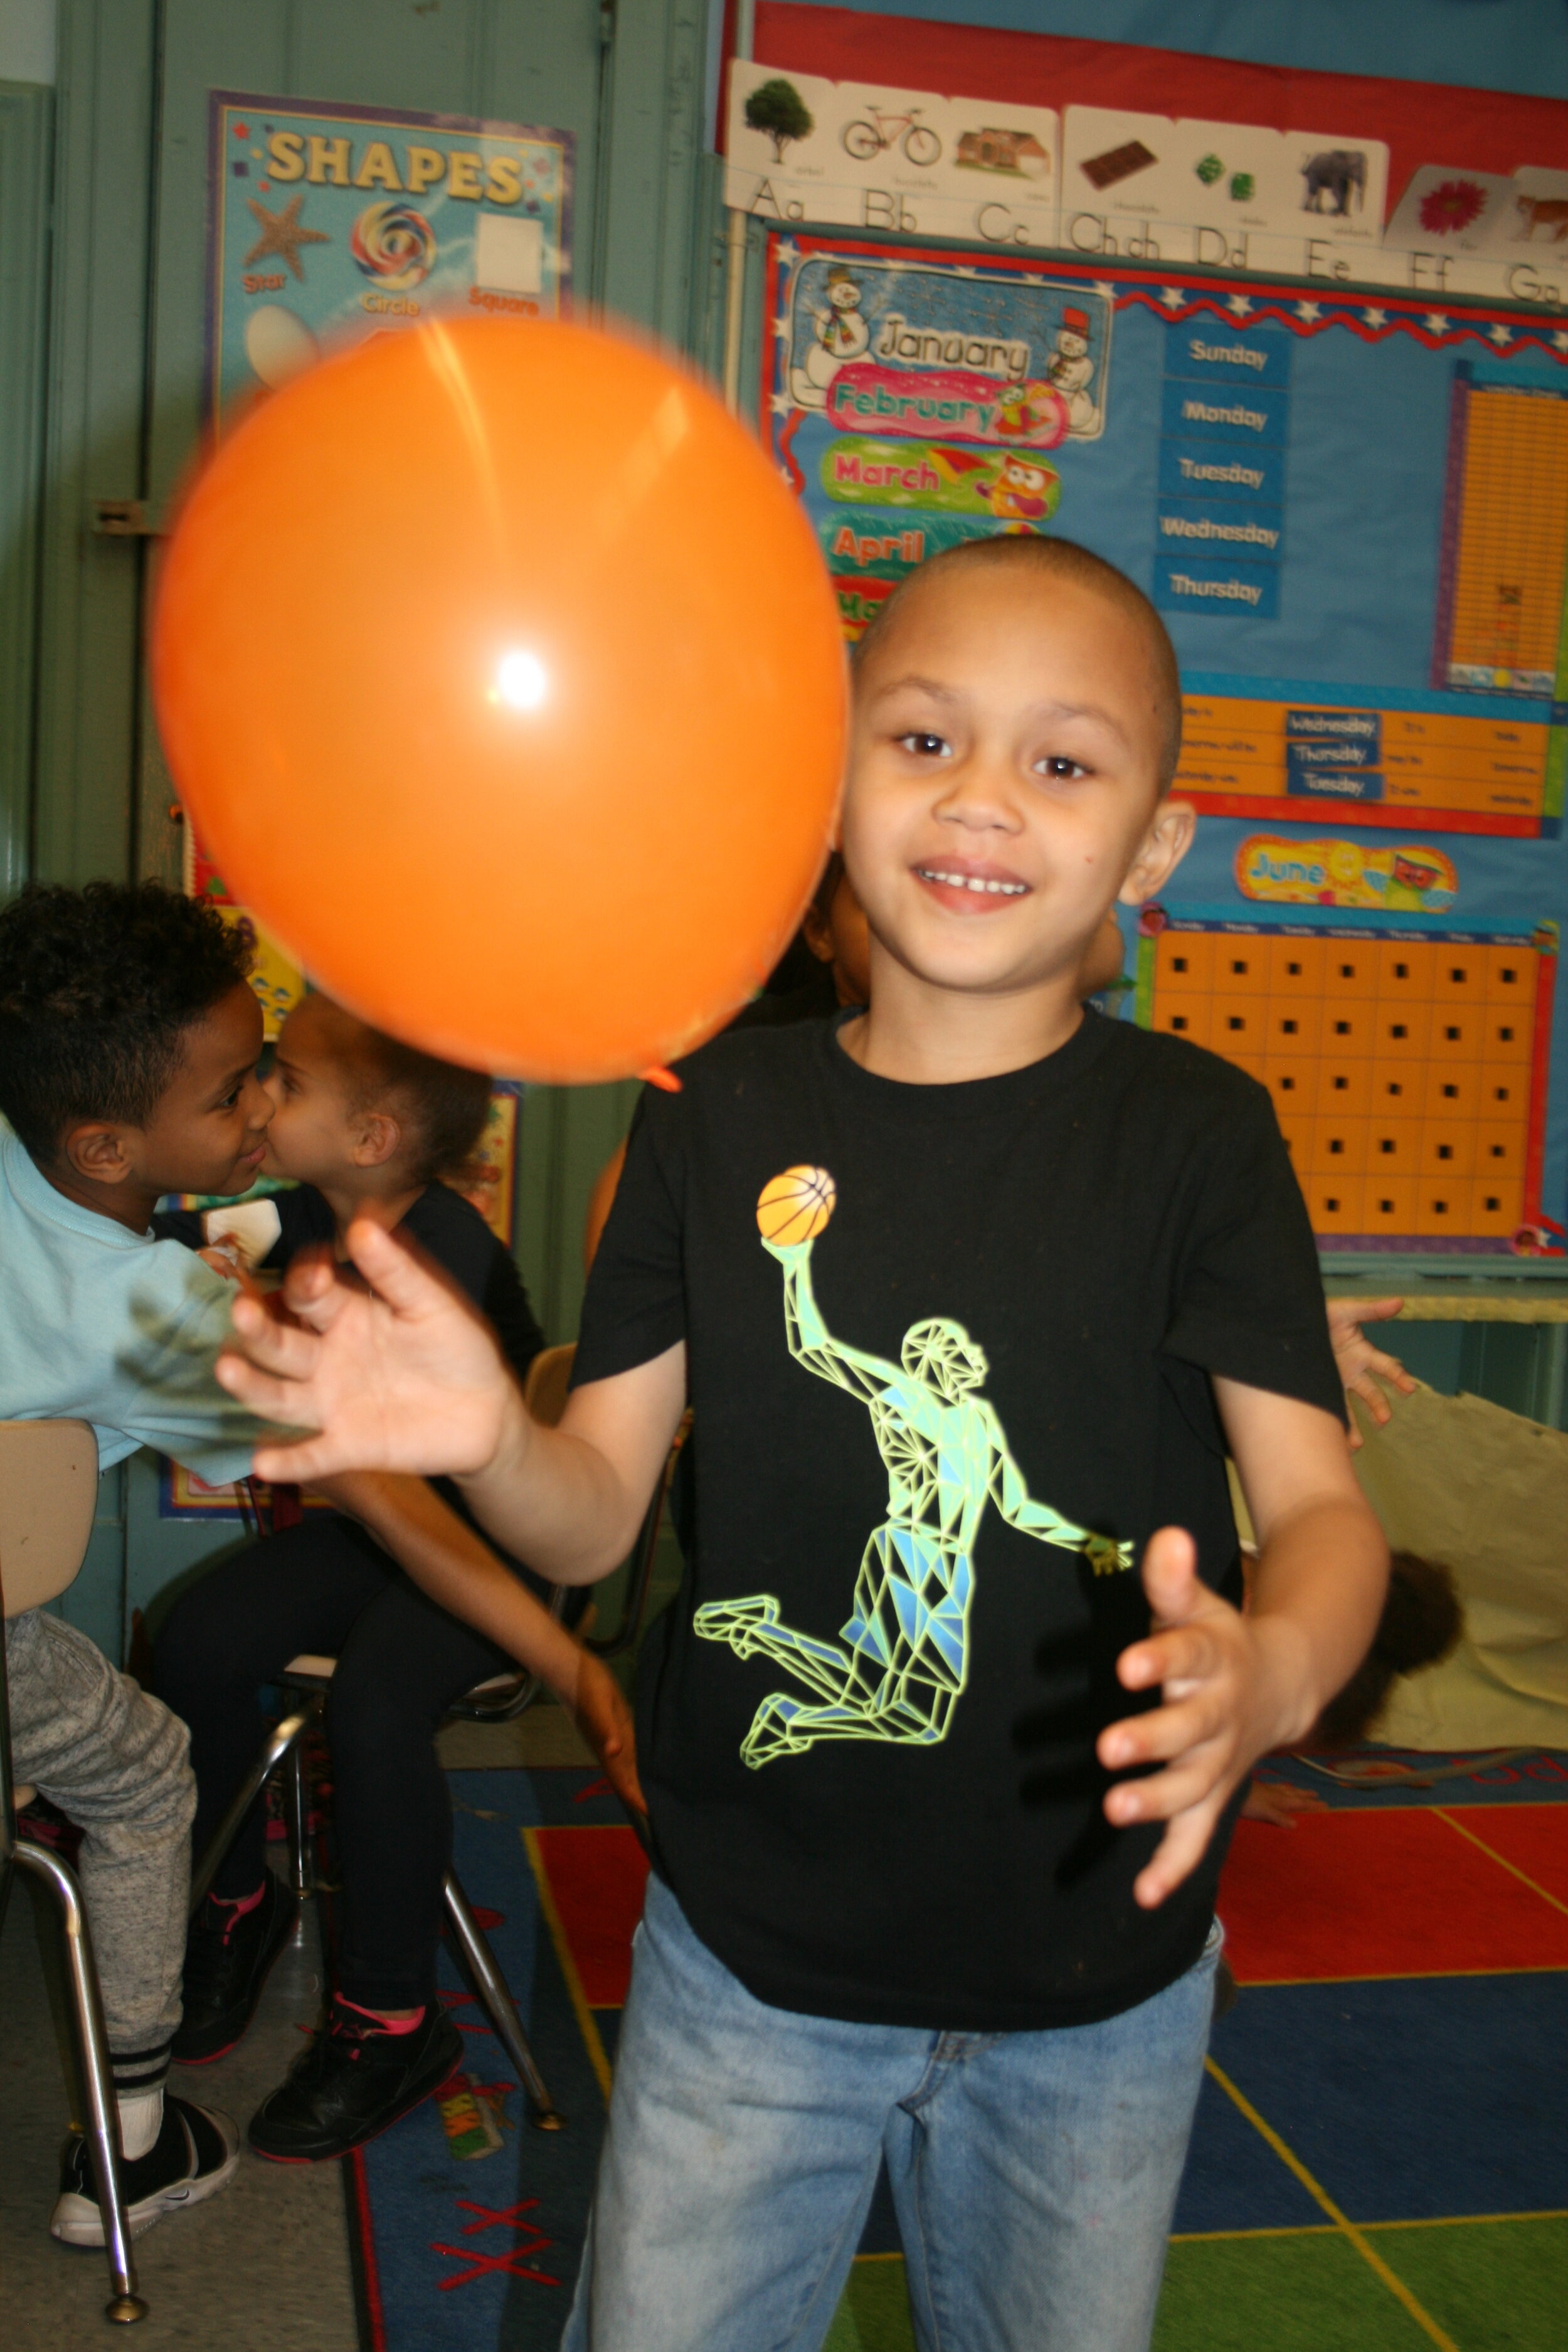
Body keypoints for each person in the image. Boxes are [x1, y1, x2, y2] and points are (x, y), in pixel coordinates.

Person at [215, 535, 1389, 2352]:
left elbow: (1317, 1507)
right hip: (749, 1963)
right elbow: (594, 1511)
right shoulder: (713, 1114)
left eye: (1060, 762)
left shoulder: (1199, 1133)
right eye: (921, 738)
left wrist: (1281, 1660)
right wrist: (479, 1438)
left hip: (1097, 1979)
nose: (981, 797)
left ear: (1150, 845)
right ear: (829, 776)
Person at [154, 990, 640, 2163]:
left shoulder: (449, 1253)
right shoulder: (303, 1207)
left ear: (373, 1136)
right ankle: (236, 1902)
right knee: (192, 1643)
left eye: (285, 1080)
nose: (260, 1096)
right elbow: (172, 1250)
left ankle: (393, 2017)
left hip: (505, 1554)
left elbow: (441, 1492)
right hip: (385, 1530)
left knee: (376, 1701)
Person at [0, 882, 270, 2245]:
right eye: (235, 1093)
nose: (263, 1111)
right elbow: (295, 1431)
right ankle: (133, 2138)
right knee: (150, 1771)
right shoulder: (160, 1308)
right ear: (107, 1142)